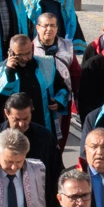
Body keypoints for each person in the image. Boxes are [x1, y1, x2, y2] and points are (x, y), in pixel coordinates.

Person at [0, 94, 60, 207]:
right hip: (0, 204)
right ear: (6, 113)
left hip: (38, 204)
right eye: (16, 119)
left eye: (26, 119)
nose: (21, 124)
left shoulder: (45, 138)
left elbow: (57, 172)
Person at [0, 35, 68, 142]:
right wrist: (9, 72)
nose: (24, 58)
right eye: (19, 55)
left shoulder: (46, 64)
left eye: (27, 53)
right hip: (16, 128)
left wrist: (58, 102)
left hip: (43, 124)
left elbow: (62, 87)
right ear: (11, 53)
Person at [33, 12, 82, 149]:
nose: (49, 29)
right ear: (38, 28)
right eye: (45, 26)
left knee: (59, 141)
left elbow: (75, 75)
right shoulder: (30, 48)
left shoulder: (67, 46)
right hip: (39, 104)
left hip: (62, 102)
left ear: (57, 28)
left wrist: (65, 99)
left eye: (52, 26)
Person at [23, 0, 87, 55]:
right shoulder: (29, 1)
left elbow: (72, 22)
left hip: (59, 47)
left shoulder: (65, 1)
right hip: (36, 47)